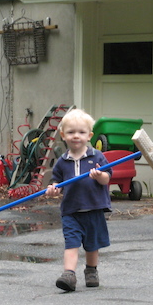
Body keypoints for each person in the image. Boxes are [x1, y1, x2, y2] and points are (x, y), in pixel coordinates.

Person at [46, 109, 112, 292]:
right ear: (63, 135)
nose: (76, 136)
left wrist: (99, 176)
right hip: (71, 211)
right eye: (71, 132)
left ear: (89, 135)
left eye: (81, 132)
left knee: (92, 245)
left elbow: (107, 179)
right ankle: (69, 274)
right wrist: (54, 189)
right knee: (72, 243)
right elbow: (56, 182)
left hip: (94, 208)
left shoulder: (97, 156)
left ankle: (91, 270)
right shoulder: (62, 161)